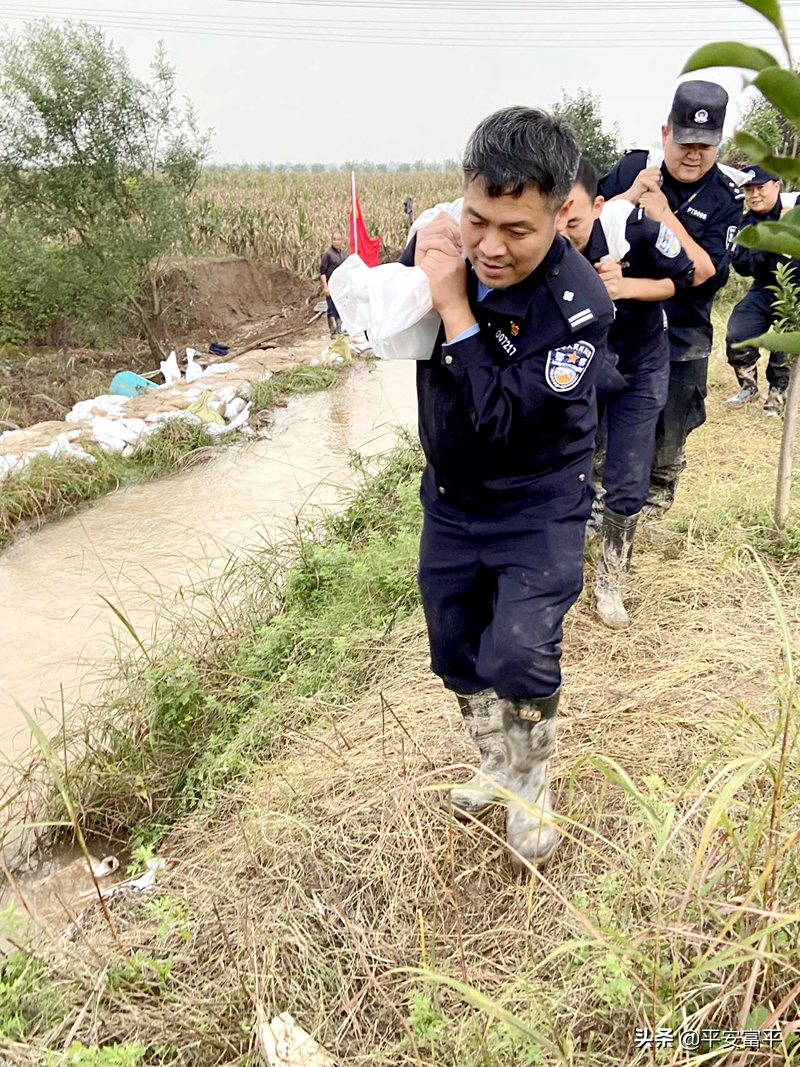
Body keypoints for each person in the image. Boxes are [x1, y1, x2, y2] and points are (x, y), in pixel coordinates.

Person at [400, 107, 615, 869]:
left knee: (520, 651)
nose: (490, 246)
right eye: (476, 218)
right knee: (454, 650)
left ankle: (532, 784)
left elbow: (498, 418)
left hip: (536, 500)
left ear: (560, 214)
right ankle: (498, 761)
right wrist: (418, 262)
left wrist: (454, 301)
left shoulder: (578, 310)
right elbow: (383, 322)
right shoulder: (449, 239)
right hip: (454, 498)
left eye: (515, 230)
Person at [558, 157, 694, 628]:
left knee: (629, 472)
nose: (562, 231)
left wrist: (627, 286)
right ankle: (562, 565)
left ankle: (611, 579)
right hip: (583, 368)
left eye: (572, 220)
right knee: (570, 464)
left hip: (640, 363)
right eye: (552, 217)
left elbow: (685, 276)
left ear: (597, 207)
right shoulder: (539, 244)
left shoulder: (632, 229)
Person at [599, 80, 744, 516]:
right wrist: (630, 196)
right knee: (607, 428)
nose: (693, 154)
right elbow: (591, 220)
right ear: (665, 134)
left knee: (669, 435)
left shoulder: (726, 196)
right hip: (622, 329)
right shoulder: (632, 169)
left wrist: (664, 216)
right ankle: (602, 508)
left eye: (705, 145)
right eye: (684, 142)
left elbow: (706, 274)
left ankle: (658, 502)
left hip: (682, 331)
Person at [725, 166, 798, 415]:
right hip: (763, 289)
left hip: (795, 291)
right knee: (737, 333)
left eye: (760, 188)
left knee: (782, 346)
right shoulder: (746, 223)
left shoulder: (795, 205)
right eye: (749, 190)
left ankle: (777, 397)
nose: (754, 195)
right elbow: (741, 265)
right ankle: (749, 386)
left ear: (776, 186)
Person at [320, 230, 345, 338]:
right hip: (330, 286)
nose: (336, 242)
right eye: (334, 239)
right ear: (331, 240)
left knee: (338, 308)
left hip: (339, 287)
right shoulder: (328, 254)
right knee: (331, 308)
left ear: (342, 241)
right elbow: (322, 272)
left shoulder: (341, 255)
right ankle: (333, 331)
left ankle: (339, 330)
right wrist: (325, 287)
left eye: (338, 239)